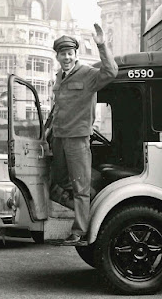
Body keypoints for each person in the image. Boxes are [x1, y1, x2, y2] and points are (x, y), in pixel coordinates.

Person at [50, 23, 118, 245]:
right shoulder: (59, 76)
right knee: (60, 180)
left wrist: (101, 45)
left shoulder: (87, 74)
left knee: (79, 186)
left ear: (75, 54)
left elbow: (111, 72)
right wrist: (46, 133)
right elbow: (57, 108)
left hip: (78, 138)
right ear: (58, 56)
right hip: (59, 137)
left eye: (70, 53)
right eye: (63, 54)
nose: (67, 58)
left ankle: (80, 230)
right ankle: (92, 203)